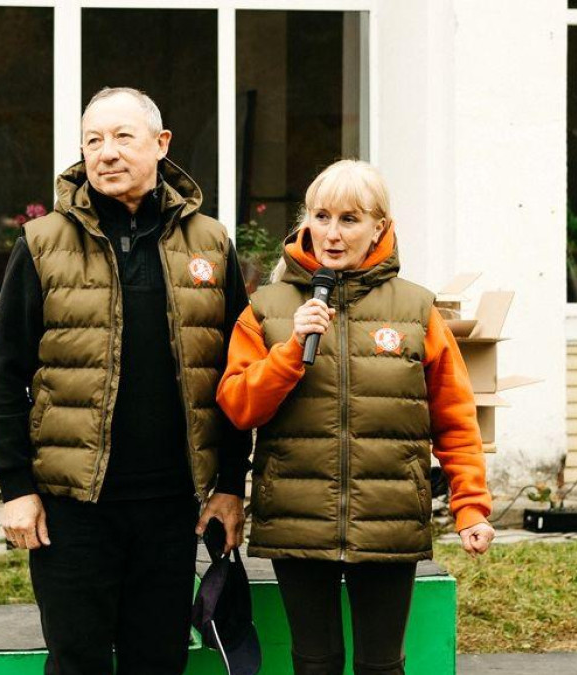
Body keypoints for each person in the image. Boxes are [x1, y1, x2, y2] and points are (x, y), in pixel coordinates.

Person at [0, 86, 250, 674]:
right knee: (76, 661)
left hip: (172, 505)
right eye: (93, 140)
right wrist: (16, 488)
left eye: (123, 137)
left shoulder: (210, 244)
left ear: (161, 144)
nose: (106, 153)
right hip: (72, 508)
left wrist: (231, 483)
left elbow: (237, 375)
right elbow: (3, 376)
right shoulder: (42, 244)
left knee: (157, 661)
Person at [216, 160, 495, 675]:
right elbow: (237, 406)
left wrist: (471, 506)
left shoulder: (417, 310)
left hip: (390, 516)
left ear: (379, 227)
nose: (332, 233)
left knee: (381, 666)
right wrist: (291, 349)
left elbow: (455, 417)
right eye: (321, 217)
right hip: (299, 517)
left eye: (349, 219)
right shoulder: (266, 308)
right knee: (315, 663)